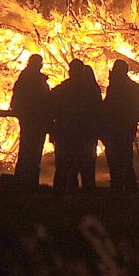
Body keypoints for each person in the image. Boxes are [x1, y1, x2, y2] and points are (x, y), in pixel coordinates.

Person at [51, 59, 102, 195]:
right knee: (87, 170)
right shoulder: (91, 90)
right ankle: (88, 199)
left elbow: (51, 107)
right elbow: (99, 111)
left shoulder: (63, 89)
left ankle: (58, 198)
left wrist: (53, 130)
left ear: (70, 71)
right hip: (86, 135)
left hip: (66, 134)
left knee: (63, 169)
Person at [102, 59, 139, 193]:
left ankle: (123, 189)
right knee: (124, 160)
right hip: (120, 130)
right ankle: (126, 189)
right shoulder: (129, 87)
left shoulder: (120, 88)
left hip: (119, 130)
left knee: (120, 160)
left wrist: (129, 120)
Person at [10, 54, 50, 188]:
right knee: (31, 150)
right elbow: (44, 99)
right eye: (39, 62)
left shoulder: (24, 79)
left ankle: (24, 180)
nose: (41, 65)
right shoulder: (34, 80)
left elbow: (16, 101)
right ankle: (26, 181)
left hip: (30, 120)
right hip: (35, 121)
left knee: (28, 149)